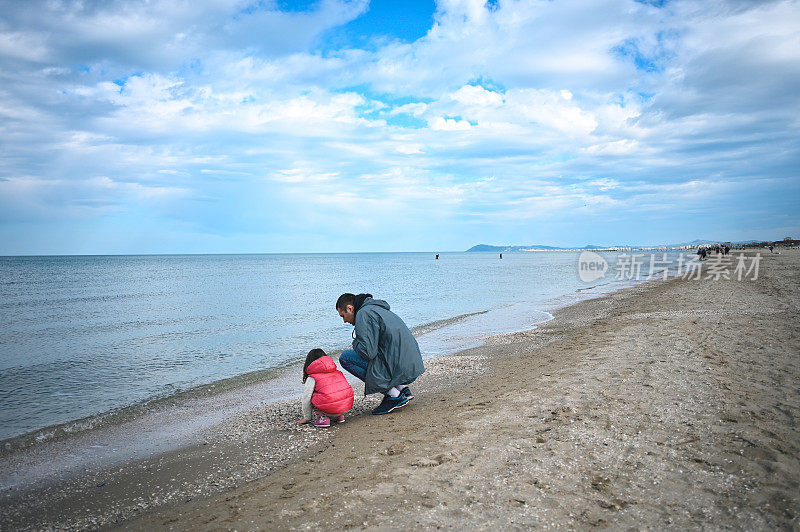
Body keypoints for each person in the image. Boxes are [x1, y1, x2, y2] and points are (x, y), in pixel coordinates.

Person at [336, 293, 425, 415]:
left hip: (401, 367)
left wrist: (356, 343)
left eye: (343, 315)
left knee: (346, 358)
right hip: (411, 364)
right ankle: (402, 389)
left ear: (350, 308)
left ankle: (394, 396)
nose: (344, 321)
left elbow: (368, 353)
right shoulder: (376, 308)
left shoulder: (363, 314)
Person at [298, 348, 354, 428]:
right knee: (335, 390)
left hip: (330, 409)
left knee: (312, 395)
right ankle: (339, 416)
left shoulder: (312, 377)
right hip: (345, 408)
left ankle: (324, 418)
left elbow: (306, 398)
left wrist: (307, 418)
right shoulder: (337, 372)